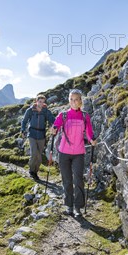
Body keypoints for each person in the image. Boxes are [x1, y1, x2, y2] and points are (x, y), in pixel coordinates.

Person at [52, 89, 96, 217]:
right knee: (67, 180)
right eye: (71, 99)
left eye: (76, 99)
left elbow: (89, 131)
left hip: (78, 153)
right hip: (64, 152)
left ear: (80, 101)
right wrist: (54, 129)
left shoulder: (84, 116)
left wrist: (92, 139)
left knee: (78, 180)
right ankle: (69, 206)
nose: (73, 102)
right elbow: (56, 125)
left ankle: (78, 207)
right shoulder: (63, 115)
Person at [21, 94, 55, 180]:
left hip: (41, 135)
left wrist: (53, 126)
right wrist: (23, 130)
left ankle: (35, 171)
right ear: (36, 101)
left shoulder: (46, 111)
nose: (41, 103)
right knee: (34, 154)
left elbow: (52, 120)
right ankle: (32, 171)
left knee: (39, 157)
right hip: (32, 135)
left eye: (43, 102)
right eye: (40, 101)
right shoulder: (30, 110)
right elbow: (24, 121)